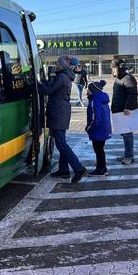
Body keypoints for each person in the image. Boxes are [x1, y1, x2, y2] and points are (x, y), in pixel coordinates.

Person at [39, 55, 87, 183]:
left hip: (58, 113)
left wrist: (39, 83)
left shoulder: (61, 77)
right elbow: (53, 88)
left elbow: (48, 90)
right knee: (61, 141)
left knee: (61, 143)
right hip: (61, 112)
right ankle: (64, 169)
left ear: (63, 65)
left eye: (58, 64)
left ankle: (78, 168)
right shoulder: (65, 76)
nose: (56, 65)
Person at [111, 59, 138, 165]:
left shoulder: (128, 78)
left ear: (120, 67)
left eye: (114, 68)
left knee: (127, 134)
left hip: (125, 111)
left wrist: (128, 107)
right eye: (112, 68)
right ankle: (128, 154)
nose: (113, 70)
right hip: (118, 110)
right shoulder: (119, 79)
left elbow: (132, 94)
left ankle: (129, 156)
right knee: (124, 133)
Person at [85, 80, 112, 176]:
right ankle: (102, 167)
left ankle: (100, 168)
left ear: (92, 91)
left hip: (97, 129)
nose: (87, 91)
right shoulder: (102, 98)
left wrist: (88, 127)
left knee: (98, 150)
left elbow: (95, 116)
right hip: (104, 128)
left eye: (88, 89)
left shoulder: (95, 100)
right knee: (100, 149)